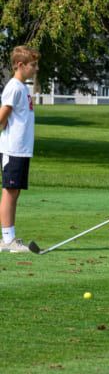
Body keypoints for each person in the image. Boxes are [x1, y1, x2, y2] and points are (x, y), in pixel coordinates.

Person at [0, 45, 40, 253]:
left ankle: (10, 236)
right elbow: (2, 116)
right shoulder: (14, 87)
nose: (36, 69)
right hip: (12, 149)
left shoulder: (24, 88)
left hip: (22, 149)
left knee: (14, 192)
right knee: (9, 191)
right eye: (33, 65)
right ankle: (7, 239)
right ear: (20, 65)